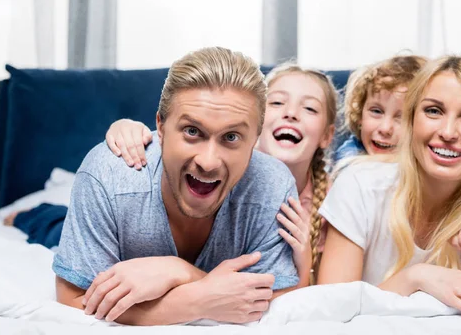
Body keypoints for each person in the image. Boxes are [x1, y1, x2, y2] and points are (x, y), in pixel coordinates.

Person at [53, 47, 304, 326]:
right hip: (76, 217)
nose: (208, 163)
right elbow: (73, 298)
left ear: (255, 140)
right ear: (160, 127)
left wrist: (177, 271)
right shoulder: (107, 176)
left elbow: (276, 301)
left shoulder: (272, 186)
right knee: (45, 222)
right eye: (192, 131)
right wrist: (199, 300)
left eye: (231, 137)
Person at [317, 55, 461, 324]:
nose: (448, 132)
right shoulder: (359, 184)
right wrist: (416, 278)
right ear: (413, 120)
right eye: (433, 111)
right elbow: (329, 315)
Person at [106, 63, 339, 284]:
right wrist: (126, 128)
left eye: (309, 108)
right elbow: (176, 134)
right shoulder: (213, 164)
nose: (291, 113)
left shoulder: (333, 203)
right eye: (277, 103)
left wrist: (305, 258)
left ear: (327, 136)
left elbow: (312, 298)